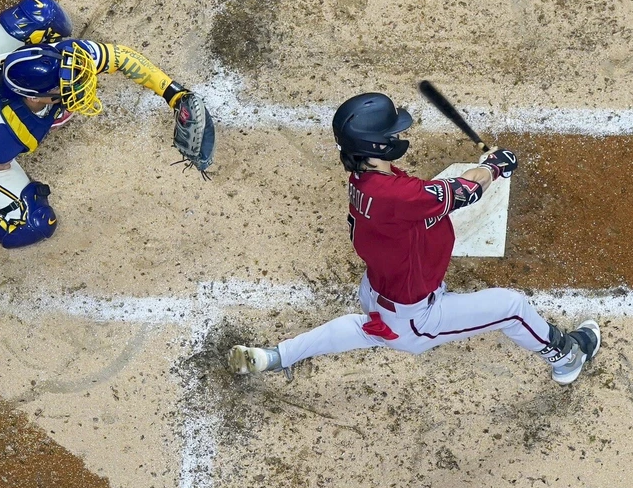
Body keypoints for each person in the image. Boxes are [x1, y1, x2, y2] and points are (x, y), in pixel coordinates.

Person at [228, 91, 601, 386]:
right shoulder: (399, 197)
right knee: (512, 308)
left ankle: (276, 356)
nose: (396, 136)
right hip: (416, 316)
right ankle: (567, 357)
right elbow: (466, 191)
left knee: (366, 329)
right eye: (390, 133)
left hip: (377, 292)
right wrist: (495, 165)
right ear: (374, 146)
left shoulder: (365, 180)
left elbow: (428, 197)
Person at [0, 0, 213, 248]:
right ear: (34, 98)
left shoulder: (61, 58)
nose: (82, 83)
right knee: (33, 225)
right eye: (67, 89)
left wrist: (173, 94)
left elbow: (123, 58)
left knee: (44, 13)